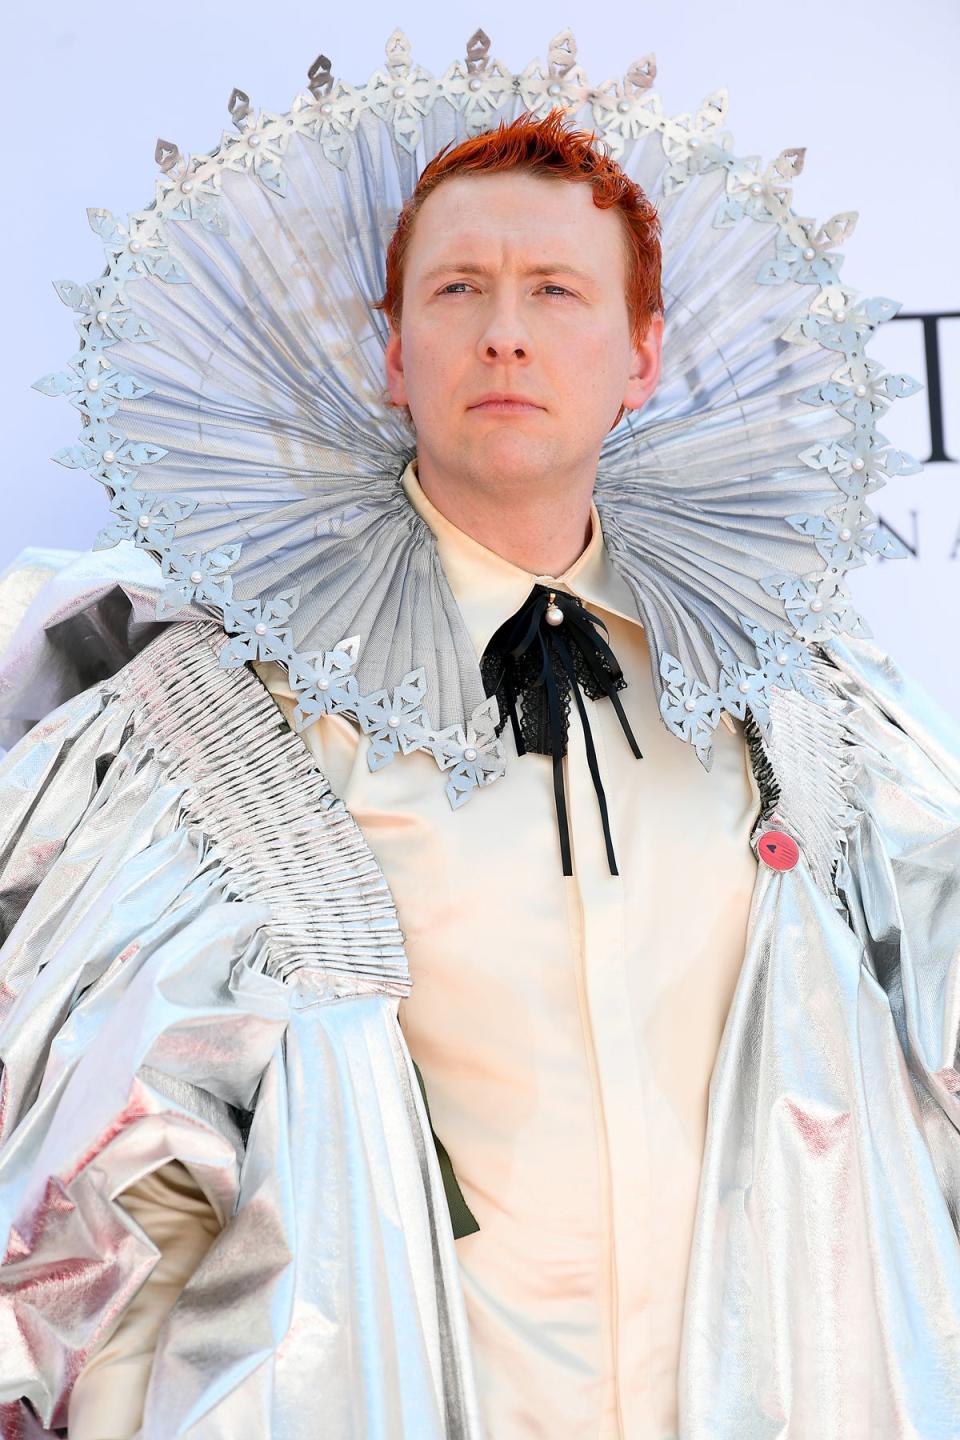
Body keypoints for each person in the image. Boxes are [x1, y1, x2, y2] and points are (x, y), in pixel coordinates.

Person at [2, 30, 960, 1440]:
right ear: (395, 352)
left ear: (640, 356)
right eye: (460, 289)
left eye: (556, 290)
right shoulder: (226, 720)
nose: (505, 331)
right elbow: (127, 1155)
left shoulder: (797, 706)